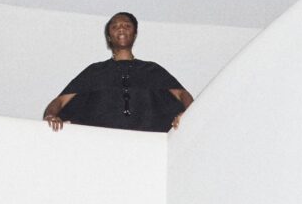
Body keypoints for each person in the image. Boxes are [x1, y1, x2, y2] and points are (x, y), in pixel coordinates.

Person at [43, 12, 192, 133]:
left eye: (127, 25)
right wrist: (50, 115)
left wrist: (188, 116)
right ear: (109, 37)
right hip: (102, 142)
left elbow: (183, 95)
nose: (121, 29)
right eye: (115, 26)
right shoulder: (95, 71)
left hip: (147, 141)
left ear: (134, 34)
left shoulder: (152, 69)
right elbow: (60, 101)